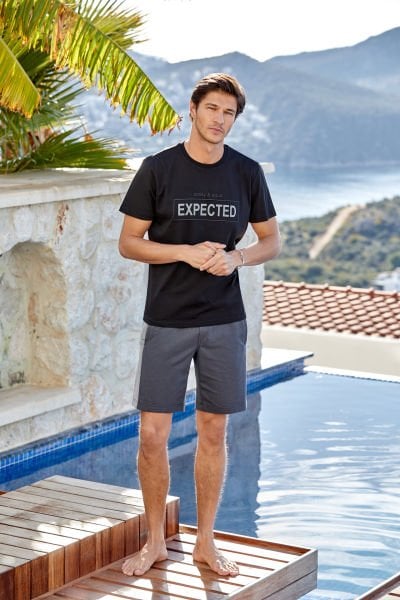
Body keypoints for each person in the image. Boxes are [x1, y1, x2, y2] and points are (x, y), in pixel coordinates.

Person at [118, 72, 280, 578]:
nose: (219, 119)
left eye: (229, 113)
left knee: (214, 430)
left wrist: (237, 259)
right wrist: (184, 253)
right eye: (212, 108)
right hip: (167, 319)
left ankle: (205, 542)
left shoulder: (246, 172)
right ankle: (155, 542)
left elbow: (270, 241)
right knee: (152, 434)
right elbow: (129, 242)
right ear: (192, 110)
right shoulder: (158, 169)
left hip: (223, 321)